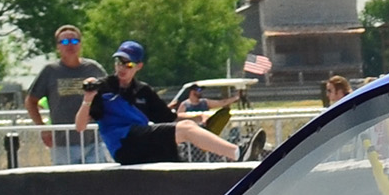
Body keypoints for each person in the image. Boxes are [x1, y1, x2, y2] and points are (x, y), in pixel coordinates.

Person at [80, 41, 240, 165]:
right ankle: (238, 154)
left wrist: (200, 118)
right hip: (123, 144)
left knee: (180, 164)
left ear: (139, 66)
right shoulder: (102, 87)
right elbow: (80, 126)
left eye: (128, 64)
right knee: (186, 128)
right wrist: (87, 99)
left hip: (142, 142)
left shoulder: (143, 91)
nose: (122, 67)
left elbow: (170, 119)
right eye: (118, 62)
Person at [26, 26, 104, 162]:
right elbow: (30, 101)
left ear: (80, 44)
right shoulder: (50, 71)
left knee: (97, 175)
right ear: (58, 47)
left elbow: (109, 95)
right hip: (63, 142)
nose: (70, 45)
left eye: (74, 41)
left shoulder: (93, 68)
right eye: (65, 42)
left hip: (93, 140)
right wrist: (43, 128)